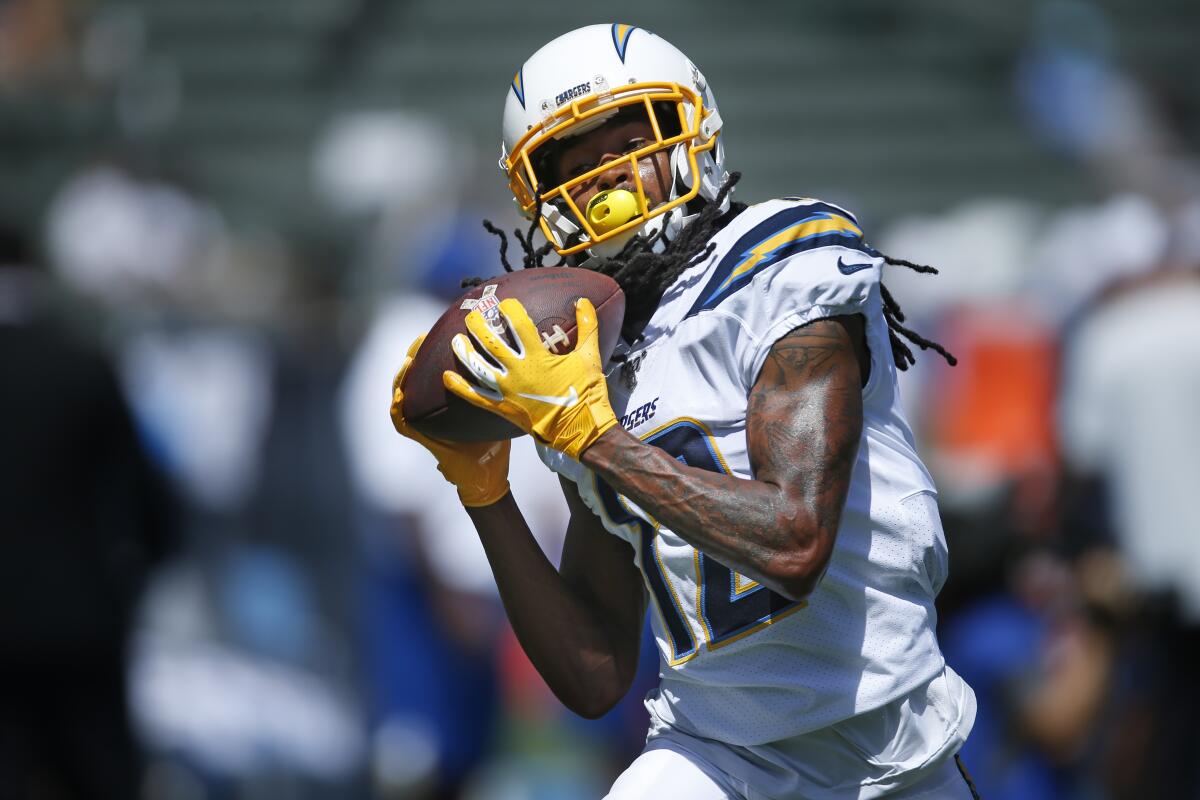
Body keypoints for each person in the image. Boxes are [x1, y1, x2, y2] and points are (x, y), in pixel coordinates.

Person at [390, 24, 978, 799]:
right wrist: (484, 492)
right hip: (717, 755)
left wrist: (596, 439)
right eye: (576, 161)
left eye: (629, 137)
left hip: (897, 745)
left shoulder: (781, 267)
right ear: (536, 193)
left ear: (690, 132)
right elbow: (595, 671)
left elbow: (795, 542)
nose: (609, 173)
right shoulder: (578, 359)